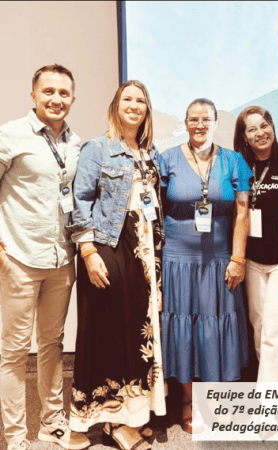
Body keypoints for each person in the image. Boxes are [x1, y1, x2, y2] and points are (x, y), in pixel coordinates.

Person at [67, 80, 165, 450]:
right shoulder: (98, 148)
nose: (135, 105)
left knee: (134, 334)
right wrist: (88, 252)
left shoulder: (149, 153)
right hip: (108, 245)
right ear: (116, 105)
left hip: (143, 249)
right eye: (128, 99)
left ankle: (131, 415)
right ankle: (111, 421)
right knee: (108, 333)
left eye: (141, 100)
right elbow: (80, 199)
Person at [0, 65, 90, 450]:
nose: (56, 99)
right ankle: (15, 437)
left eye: (63, 93)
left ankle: (52, 425)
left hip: (61, 261)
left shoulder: (75, 143)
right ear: (33, 95)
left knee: (52, 344)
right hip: (18, 258)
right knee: (14, 352)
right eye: (48, 91)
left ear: (72, 98)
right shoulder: (10, 135)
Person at [160, 98, 252, 433]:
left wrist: (238, 258)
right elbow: (155, 208)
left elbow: (243, 211)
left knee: (215, 327)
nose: (200, 125)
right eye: (193, 119)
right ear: (186, 122)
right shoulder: (166, 159)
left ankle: (211, 401)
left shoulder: (234, 161)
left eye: (206, 119)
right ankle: (186, 403)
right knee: (184, 327)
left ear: (216, 123)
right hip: (178, 259)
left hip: (220, 258)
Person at [234, 106, 278, 382]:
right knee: (260, 331)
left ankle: (271, 402)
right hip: (251, 262)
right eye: (252, 129)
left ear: (272, 127)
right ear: (244, 136)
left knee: (277, 333)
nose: (260, 133)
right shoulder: (240, 166)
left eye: (264, 125)